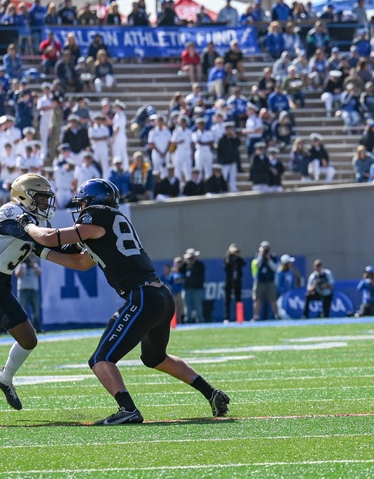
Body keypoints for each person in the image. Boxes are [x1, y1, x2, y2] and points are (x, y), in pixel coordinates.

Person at [22, 179, 230, 424]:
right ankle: (211, 393)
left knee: (101, 359)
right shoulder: (111, 222)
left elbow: (51, 237)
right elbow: (80, 262)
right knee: (155, 358)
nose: (81, 209)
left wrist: (26, 226)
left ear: (94, 202)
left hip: (143, 297)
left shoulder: (96, 216)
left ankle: (128, 410)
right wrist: (40, 251)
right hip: (159, 296)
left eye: (84, 203)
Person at [0, 175, 56, 409]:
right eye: (40, 197)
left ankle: (4, 379)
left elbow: (50, 246)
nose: (44, 203)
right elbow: (23, 232)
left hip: (2, 285)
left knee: (28, 339)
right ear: (24, 196)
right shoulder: (10, 211)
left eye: (46, 198)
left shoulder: (36, 222)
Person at [251, 241, 279, 320]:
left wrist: (269, 259)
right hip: (260, 281)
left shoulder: (272, 256)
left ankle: (277, 315)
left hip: (270, 281)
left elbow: (275, 268)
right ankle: (256, 316)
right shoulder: (258, 256)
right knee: (257, 299)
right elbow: (257, 264)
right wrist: (261, 255)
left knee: (273, 299)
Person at [14, 254, 41, 330]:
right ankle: (19, 328)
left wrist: (33, 264)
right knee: (20, 309)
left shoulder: (34, 265)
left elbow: (40, 273)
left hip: (33, 290)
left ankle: (37, 328)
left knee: (35, 310)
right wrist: (22, 264)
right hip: (23, 290)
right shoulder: (20, 265)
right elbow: (17, 274)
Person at [181, 248, 205, 323]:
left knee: (198, 306)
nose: (190, 259)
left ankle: (200, 320)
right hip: (187, 288)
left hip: (197, 288)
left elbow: (200, 275)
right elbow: (180, 272)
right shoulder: (185, 265)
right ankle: (188, 320)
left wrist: (192, 267)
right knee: (187, 306)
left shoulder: (199, 265)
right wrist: (187, 264)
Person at [223, 243, 245, 323]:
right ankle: (227, 317)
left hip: (237, 281)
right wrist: (229, 256)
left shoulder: (238, 259)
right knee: (227, 300)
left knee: (238, 299)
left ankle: (239, 317)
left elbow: (243, 263)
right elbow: (226, 266)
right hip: (229, 281)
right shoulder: (227, 258)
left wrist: (238, 256)